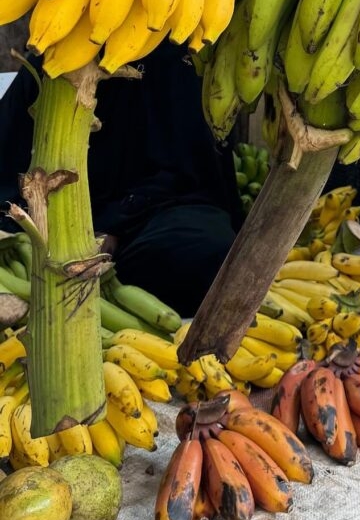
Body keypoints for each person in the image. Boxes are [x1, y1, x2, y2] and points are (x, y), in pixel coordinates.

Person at [0, 39, 244, 316]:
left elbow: (189, 175)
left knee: (202, 249)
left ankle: (119, 304)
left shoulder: (177, 57)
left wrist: (112, 228)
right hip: (48, 226)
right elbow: (10, 167)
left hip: (151, 222)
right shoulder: (54, 56)